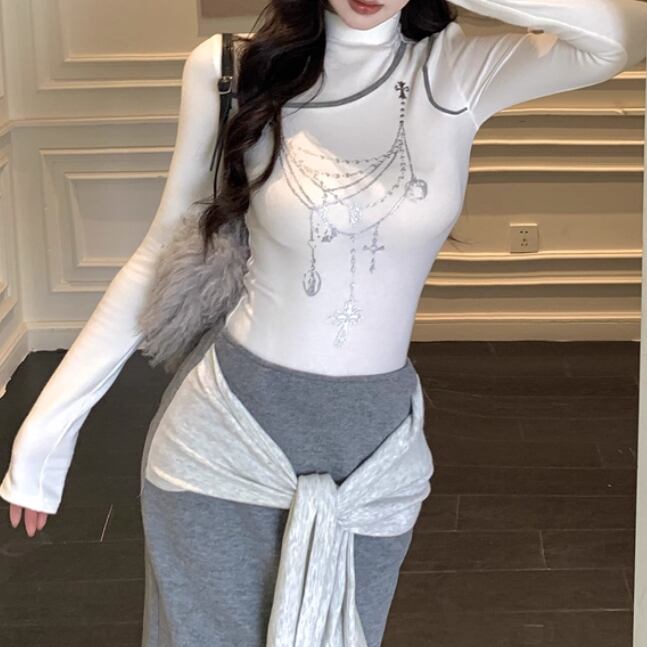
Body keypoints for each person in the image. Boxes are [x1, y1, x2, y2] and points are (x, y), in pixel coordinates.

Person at [2, 0, 647, 645]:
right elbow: (161, 248)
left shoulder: (458, 70)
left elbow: (622, 36)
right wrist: (45, 432)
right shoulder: (233, 69)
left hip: (375, 455)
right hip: (228, 434)